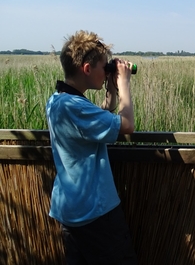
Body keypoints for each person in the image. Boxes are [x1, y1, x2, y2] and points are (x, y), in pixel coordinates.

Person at [46, 30, 137, 264]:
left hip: (72, 209)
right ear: (87, 69)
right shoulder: (75, 107)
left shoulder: (58, 101)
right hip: (95, 213)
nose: (106, 70)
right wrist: (124, 83)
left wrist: (111, 91)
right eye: (103, 67)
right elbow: (126, 125)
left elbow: (96, 122)